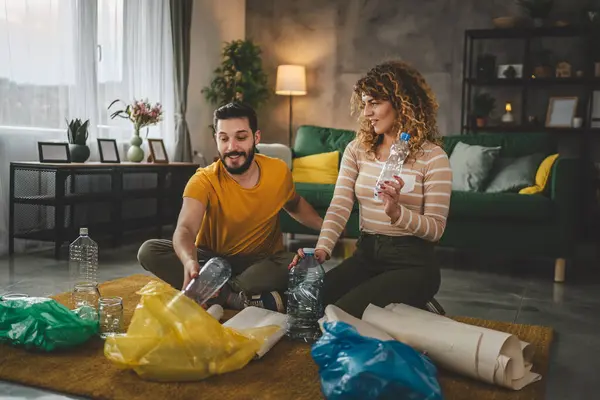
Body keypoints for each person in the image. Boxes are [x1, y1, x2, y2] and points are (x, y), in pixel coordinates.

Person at [290, 60, 452, 318]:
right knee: (310, 305)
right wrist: (322, 249)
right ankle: (402, 309)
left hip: (413, 264)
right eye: (364, 103)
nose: (366, 112)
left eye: (374, 103)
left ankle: (415, 305)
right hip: (367, 256)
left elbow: (436, 230)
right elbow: (340, 205)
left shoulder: (433, 157)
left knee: (340, 316)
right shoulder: (358, 150)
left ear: (402, 103)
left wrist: (398, 212)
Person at [138, 102, 324, 311]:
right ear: (216, 139)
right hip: (212, 261)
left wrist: (325, 227)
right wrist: (190, 262)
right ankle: (240, 298)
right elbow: (185, 229)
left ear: (256, 138)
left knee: (299, 264)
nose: (231, 147)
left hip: (262, 263)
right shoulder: (204, 180)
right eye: (224, 138)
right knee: (149, 250)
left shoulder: (278, 171)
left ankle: (217, 293)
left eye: (241, 137)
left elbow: (295, 203)